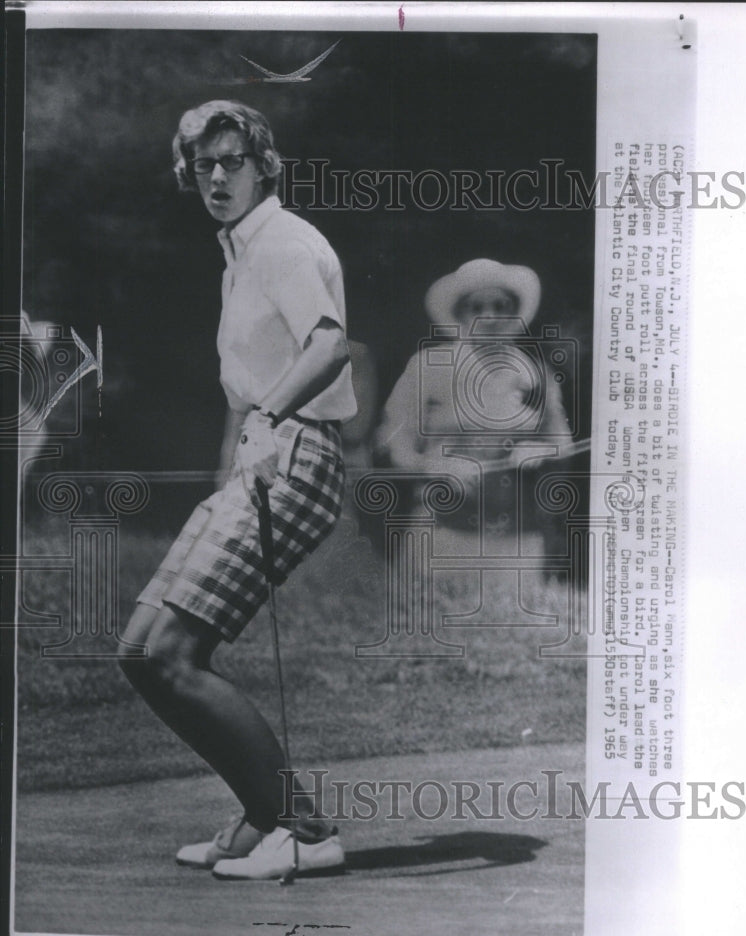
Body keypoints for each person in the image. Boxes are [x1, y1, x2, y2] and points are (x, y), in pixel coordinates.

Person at [118, 100, 356, 880]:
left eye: (232, 161)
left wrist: (271, 417)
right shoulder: (242, 251)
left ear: (264, 166)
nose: (217, 176)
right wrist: (251, 438)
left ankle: (305, 832)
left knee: (177, 655)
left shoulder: (282, 243)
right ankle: (265, 816)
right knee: (142, 651)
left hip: (298, 457)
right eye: (204, 164)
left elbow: (329, 345)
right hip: (263, 457)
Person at [372, 259, 573, 545]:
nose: (489, 317)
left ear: (516, 313)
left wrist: (541, 449)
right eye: (476, 307)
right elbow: (391, 439)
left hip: (518, 538)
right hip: (440, 534)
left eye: (501, 306)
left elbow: (563, 444)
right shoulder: (427, 368)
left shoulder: (538, 375)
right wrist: (431, 465)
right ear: (459, 315)